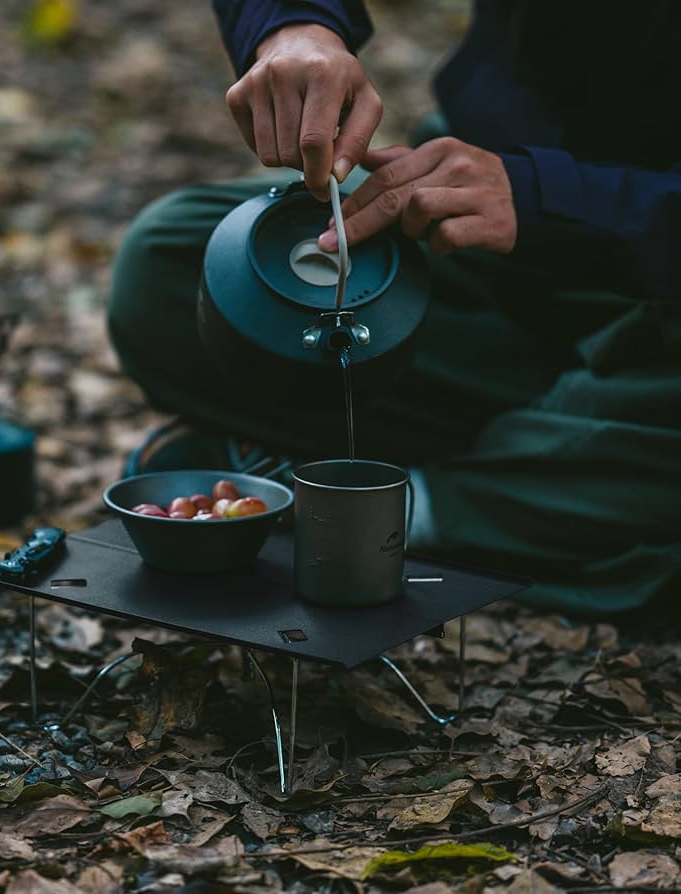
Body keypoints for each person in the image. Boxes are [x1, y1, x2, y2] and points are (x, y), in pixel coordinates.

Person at [107, 0, 681, 616]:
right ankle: (559, 464)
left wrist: (553, 200)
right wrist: (292, 27)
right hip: (475, 227)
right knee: (171, 263)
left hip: (640, 271)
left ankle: (404, 510)